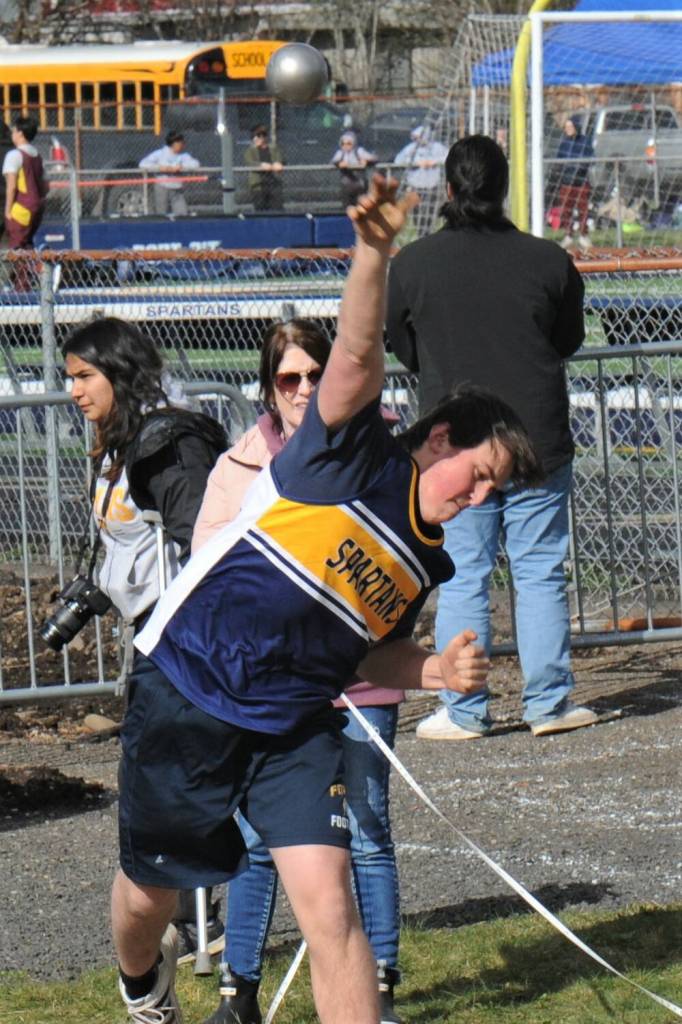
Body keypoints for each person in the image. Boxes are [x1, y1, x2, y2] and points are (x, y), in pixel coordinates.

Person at [114, 175, 541, 1024]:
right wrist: (373, 252)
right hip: (190, 686)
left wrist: (429, 668)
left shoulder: (427, 563)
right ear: (442, 437)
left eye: (495, 490)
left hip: (296, 725)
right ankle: (141, 985)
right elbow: (353, 352)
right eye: (482, 475)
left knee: (333, 910)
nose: (482, 499)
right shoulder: (353, 455)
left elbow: (360, 657)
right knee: (148, 898)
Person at [192, 320, 406, 1024]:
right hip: (270, 695)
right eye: (290, 378)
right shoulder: (240, 468)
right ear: (269, 388)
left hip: (361, 680)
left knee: (366, 834)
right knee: (257, 844)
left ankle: (377, 986)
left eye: (317, 374)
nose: (306, 389)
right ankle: (238, 991)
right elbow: (211, 584)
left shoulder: (377, 457)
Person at [386, 134, 598, 743]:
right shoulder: (547, 259)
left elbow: (401, 345)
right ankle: (549, 704)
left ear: (447, 191)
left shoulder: (414, 263)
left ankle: (463, 709)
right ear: (504, 190)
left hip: (452, 447)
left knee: (462, 572)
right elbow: (567, 340)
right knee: (537, 572)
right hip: (535, 437)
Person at [60, 316, 228, 961]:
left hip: (186, 643)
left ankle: (202, 925)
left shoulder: (168, 441)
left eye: (85, 377)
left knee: (180, 785)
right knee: (169, 785)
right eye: (69, 378)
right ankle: (190, 917)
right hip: (151, 638)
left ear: (120, 373)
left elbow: (202, 540)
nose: (74, 391)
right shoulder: (119, 437)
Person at [2, 116, 49, 289]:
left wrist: (8, 211)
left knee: (16, 247)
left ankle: (42, 272)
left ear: (20, 133)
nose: (12, 134)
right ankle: (25, 285)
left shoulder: (15, 155)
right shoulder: (37, 155)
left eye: (14, 131)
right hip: (37, 208)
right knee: (26, 244)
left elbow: (11, 187)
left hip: (21, 208)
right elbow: (46, 185)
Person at [139, 131, 200, 217]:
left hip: (176, 189)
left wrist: (181, 166)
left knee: (182, 214)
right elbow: (143, 164)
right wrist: (161, 168)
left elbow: (195, 164)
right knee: (161, 214)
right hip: (162, 187)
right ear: (174, 143)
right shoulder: (160, 154)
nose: (182, 145)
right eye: (181, 143)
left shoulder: (183, 156)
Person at [555, 116, 593, 251]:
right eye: (566, 127)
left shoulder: (584, 141)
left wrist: (578, 167)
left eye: (570, 127)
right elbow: (559, 159)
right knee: (566, 209)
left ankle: (584, 235)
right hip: (567, 181)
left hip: (581, 181)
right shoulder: (564, 143)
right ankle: (568, 235)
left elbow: (588, 158)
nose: (568, 129)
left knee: (583, 210)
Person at [393, 125, 448, 204]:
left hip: (433, 184)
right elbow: (398, 160)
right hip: (414, 184)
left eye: (419, 137)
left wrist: (434, 162)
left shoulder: (437, 147)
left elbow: (449, 156)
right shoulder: (410, 148)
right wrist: (415, 163)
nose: (418, 139)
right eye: (416, 137)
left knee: (431, 205)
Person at [332, 130, 377, 209]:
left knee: (362, 205)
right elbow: (334, 161)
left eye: (349, 144)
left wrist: (366, 161)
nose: (345, 146)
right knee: (347, 206)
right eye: (343, 144)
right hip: (347, 183)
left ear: (353, 143)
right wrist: (339, 163)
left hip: (359, 183)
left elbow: (374, 159)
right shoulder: (341, 153)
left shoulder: (359, 151)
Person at [244, 124, 284, 211]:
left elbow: (279, 161)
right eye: (254, 137)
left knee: (277, 210)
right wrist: (262, 165)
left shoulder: (274, 149)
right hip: (258, 186)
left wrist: (277, 164)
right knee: (260, 210)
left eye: (258, 136)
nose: (256, 139)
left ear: (264, 137)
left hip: (274, 184)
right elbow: (250, 162)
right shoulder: (250, 151)